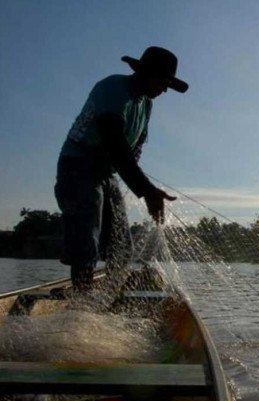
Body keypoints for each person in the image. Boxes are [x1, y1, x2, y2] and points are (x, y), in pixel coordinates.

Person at [54, 46, 187, 291]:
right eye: (162, 81)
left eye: (168, 83)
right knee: (86, 244)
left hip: (107, 173)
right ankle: (81, 304)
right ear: (144, 73)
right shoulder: (114, 89)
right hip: (78, 167)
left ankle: (110, 297)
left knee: (121, 247)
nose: (165, 89)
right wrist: (146, 190)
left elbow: (133, 150)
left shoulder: (146, 104)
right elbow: (114, 142)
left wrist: (143, 188)